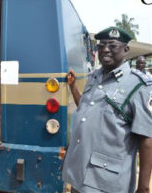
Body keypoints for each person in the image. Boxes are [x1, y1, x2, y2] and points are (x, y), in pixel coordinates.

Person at [62, 27, 152, 193]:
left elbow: (146, 138)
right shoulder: (94, 77)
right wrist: (73, 87)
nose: (105, 50)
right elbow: (85, 107)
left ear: (126, 50)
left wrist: (144, 187)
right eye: (101, 45)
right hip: (80, 174)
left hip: (106, 182)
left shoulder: (139, 86)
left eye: (112, 45)